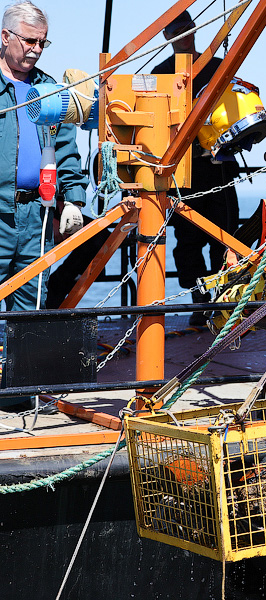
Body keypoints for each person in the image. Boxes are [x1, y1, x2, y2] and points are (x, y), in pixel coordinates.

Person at [0, 1, 86, 410]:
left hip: (36, 213)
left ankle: (18, 396)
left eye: (42, 42)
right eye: (30, 40)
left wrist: (74, 200)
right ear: (5, 37)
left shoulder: (51, 89)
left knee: (31, 301)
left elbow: (68, 152)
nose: (36, 49)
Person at [152, 10, 240, 327]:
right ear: (167, 36)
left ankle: (223, 304)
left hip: (217, 168)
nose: (185, 34)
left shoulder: (219, 67)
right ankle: (200, 304)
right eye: (178, 29)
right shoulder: (159, 74)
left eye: (188, 28)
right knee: (188, 243)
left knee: (224, 239)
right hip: (182, 175)